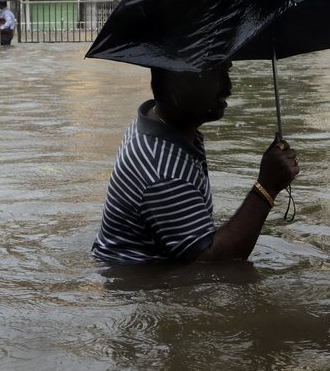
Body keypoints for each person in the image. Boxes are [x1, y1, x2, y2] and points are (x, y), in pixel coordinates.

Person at [92, 63, 299, 264]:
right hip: (142, 283)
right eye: (215, 75)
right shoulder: (163, 172)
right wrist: (266, 188)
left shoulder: (159, 123)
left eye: (226, 71)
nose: (228, 87)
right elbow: (212, 263)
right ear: (178, 86)